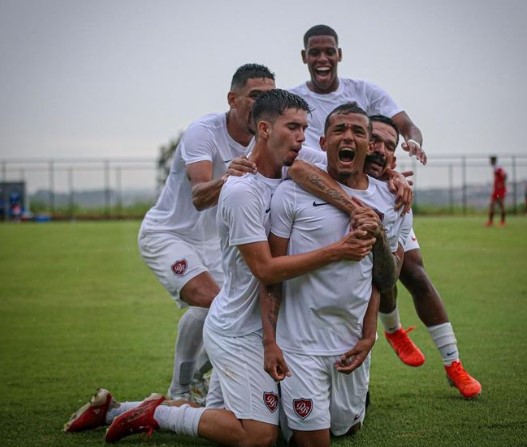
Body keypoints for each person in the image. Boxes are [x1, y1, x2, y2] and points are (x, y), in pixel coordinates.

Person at [65, 90, 378, 446]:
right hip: (239, 330)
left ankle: (113, 409)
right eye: (293, 127)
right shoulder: (241, 190)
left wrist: (390, 182)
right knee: (260, 436)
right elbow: (265, 270)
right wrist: (339, 250)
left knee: (257, 422)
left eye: (305, 128)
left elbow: (330, 165)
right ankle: (157, 414)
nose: (301, 137)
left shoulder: (295, 160)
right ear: (264, 129)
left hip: (271, 326)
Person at [289, 114, 481, 399]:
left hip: (389, 215)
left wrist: (392, 178)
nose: (379, 149)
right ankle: (392, 330)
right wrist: (358, 205)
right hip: (318, 303)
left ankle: (452, 363)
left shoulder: (395, 197)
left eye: (388, 146)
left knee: (411, 273)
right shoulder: (331, 156)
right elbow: (296, 166)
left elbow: (383, 275)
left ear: (393, 157)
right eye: (375, 140)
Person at [263, 104, 411, 447]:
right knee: (314, 440)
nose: (349, 137)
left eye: (359, 132)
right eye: (340, 130)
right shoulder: (291, 192)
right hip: (300, 346)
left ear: (369, 144)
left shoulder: (393, 202)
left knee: (346, 428)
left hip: (351, 346)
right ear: (323, 141)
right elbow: (271, 275)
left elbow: (385, 281)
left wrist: (380, 235)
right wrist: (270, 341)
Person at [133, 63, 273, 405]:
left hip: (215, 244)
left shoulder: (268, 136)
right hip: (168, 234)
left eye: (268, 96)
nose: (262, 103)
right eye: (255, 95)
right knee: (217, 301)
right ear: (232, 99)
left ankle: (202, 382)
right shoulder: (203, 132)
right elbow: (199, 196)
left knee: (242, 307)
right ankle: (183, 387)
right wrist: (229, 178)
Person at [289, 24, 426, 165]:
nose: (322, 58)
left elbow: (408, 126)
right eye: (315, 53)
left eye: (329, 52)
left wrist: (413, 141)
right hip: (307, 174)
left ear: (339, 54)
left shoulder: (365, 91)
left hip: (353, 175)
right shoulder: (290, 99)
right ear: (304, 56)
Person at [486, 155, 507, 226]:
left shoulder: (498, 168)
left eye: (491, 160)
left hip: (499, 191)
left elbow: (505, 175)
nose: (490, 162)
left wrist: (502, 184)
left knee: (501, 205)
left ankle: (502, 222)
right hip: (496, 190)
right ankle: (490, 222)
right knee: (492, 205)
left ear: (494, 160)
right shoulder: (495, 168)